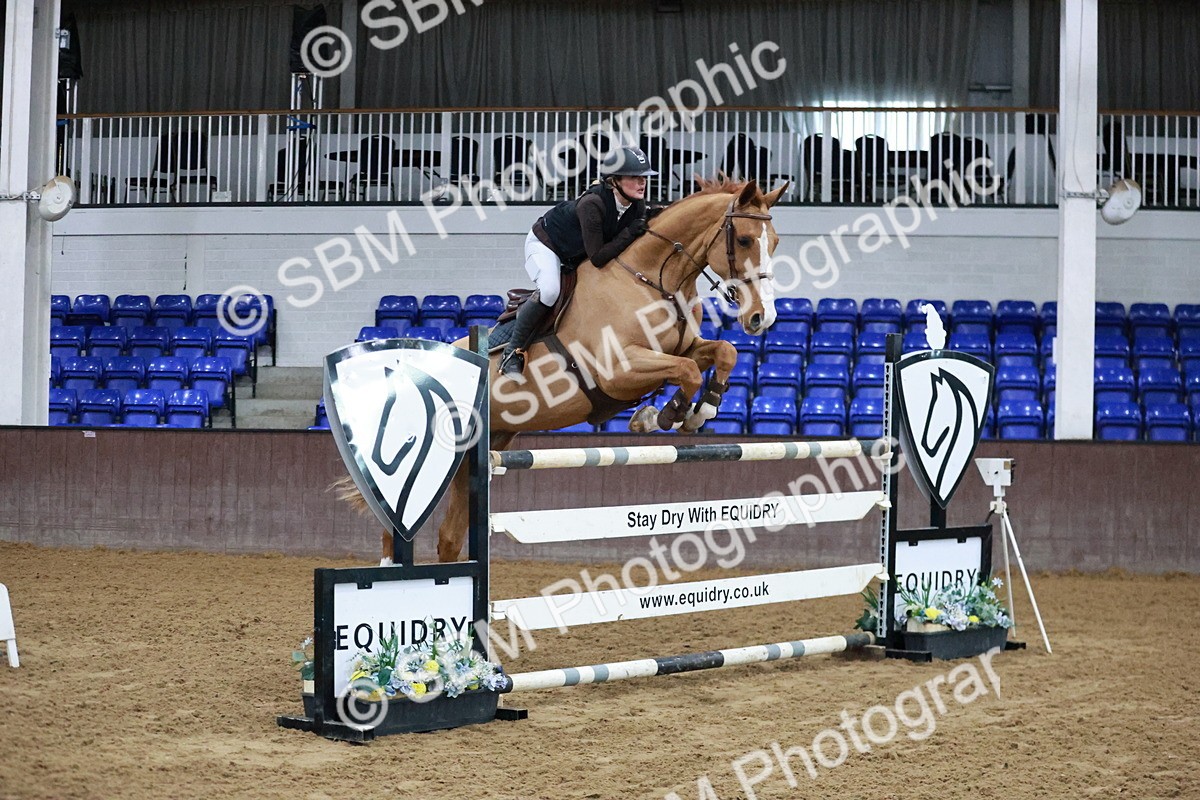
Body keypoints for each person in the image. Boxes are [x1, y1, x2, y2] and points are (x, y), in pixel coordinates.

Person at [498, 145, 658, 375]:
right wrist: (631, 231)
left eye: (643, 177)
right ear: (614, 180)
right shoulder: (592, 204)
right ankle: (512, 353)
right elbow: (598, 257)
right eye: (634, 177)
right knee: (550, 291)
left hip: (576, 253)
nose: (642, 183)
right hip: (547, 244)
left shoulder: (636, 205)